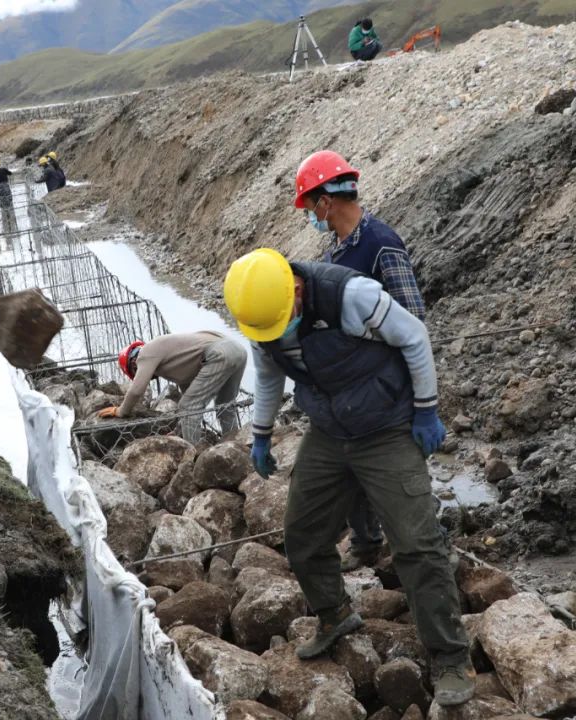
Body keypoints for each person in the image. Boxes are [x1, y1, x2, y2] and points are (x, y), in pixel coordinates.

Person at [224, 248, 473, 705]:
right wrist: (260, 436)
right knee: (302, 533)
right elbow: (267, 377)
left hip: (387, 428)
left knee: (416, 544)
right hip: (329, 430)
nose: (275, 332)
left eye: (282, 319)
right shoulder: (264, 319)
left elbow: (414, 337)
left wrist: (426, 411)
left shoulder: (350, 295)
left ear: (295, 289)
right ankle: (334, 613)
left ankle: (451, 657)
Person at [297, 150, 427, 571]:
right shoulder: (337, 250)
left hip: (388, 385)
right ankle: (367, 545)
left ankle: (417, 545)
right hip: (354, 385)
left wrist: (420, 402)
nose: (310, 216)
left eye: (309, 207)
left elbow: (413, 318)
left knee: (393, 473)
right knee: (350, 465)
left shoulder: (380, 244)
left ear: (325, 201)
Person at [98, 332, 247, 445]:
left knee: (189, 406)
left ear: (133, 364)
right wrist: (178, 431)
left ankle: (194, 457)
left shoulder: (145, 354)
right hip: (238, 350)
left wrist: (121, 411)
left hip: (218, 353)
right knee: (225, 405)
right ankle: (235, 445)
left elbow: (137, 390)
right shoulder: (176, 362)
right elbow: (190, 396)